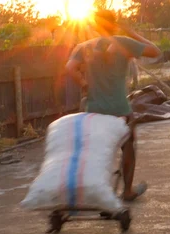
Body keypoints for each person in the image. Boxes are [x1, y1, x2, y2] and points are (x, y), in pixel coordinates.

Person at [66, 10, 161, 201]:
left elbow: (69, 68)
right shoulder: (124, 43)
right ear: (113, 25)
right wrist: (131, 33)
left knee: (94, 149)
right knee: (128, 145)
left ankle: (93, 189)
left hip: (93, 110)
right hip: (120, 110)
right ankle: (127, 191)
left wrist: (84, 84)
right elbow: (156, 52)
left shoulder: (84, 47)